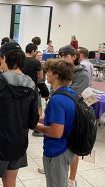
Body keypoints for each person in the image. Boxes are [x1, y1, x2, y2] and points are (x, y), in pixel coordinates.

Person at [0, 42, 39, 187]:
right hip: (18, 144)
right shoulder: (31, 85)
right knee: (10, 181)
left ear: (5, 58)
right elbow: (33, 122)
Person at [34, 59, 76, 187]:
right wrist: (41, 120)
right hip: (67, 147)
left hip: (57, 150)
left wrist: (35, 126)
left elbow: (56, 132)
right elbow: (63, 119)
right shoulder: (70, 93)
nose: (46, 74)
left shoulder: (57, 100)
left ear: (56, 75)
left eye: (49, 71)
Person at [58, 45, 89, 187]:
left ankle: (71, 178)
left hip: (75, 113)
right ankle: (56, 168)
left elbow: (71, 94)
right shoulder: (62, 71)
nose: (61, 59)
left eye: (65, 56)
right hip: (61, 111)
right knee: (58, 140)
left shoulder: (82, 74)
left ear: (74, 57)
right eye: (60, 56)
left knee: (73, 146)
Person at [23, 43, 44, 138]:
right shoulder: (36, 62)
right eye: (35, 51)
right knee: (36, 108)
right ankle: (36, 129)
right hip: (33, 88)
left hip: (22, 88)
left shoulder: (21, 61)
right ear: (32, 51)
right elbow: (41, 76)